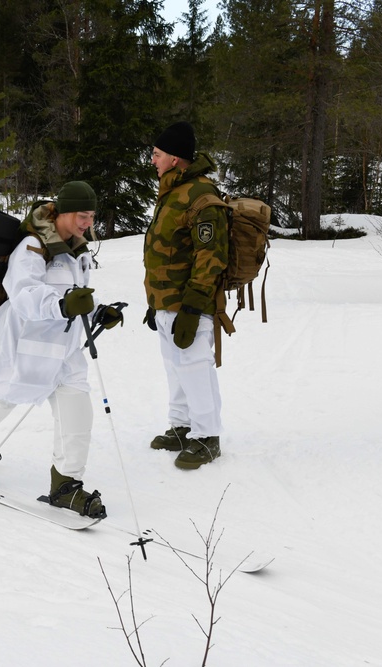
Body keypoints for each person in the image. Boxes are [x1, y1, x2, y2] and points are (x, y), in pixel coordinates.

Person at [0, 181, 124, 518]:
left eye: (91, 216)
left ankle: (66, 485)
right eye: (81, 215)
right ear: (62, 211)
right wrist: (62, 304)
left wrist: (97, 311)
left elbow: (78, 296)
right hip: (21, 345)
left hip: (63, 347)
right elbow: (24, 294)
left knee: (77, 409)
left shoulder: (78, 251)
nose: (87, 222)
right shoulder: (32, 246)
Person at [143, 121, 229, 470]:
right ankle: (181, 426)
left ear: (176, 159)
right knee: (174, 367)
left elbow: (212, 256)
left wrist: (193, 308)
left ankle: (207, 437)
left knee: (194, 367)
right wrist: (156, 303)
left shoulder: (200, 195)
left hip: (190, 304)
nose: (153, 161)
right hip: (167, 303)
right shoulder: (172, 191)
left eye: (157, 154)